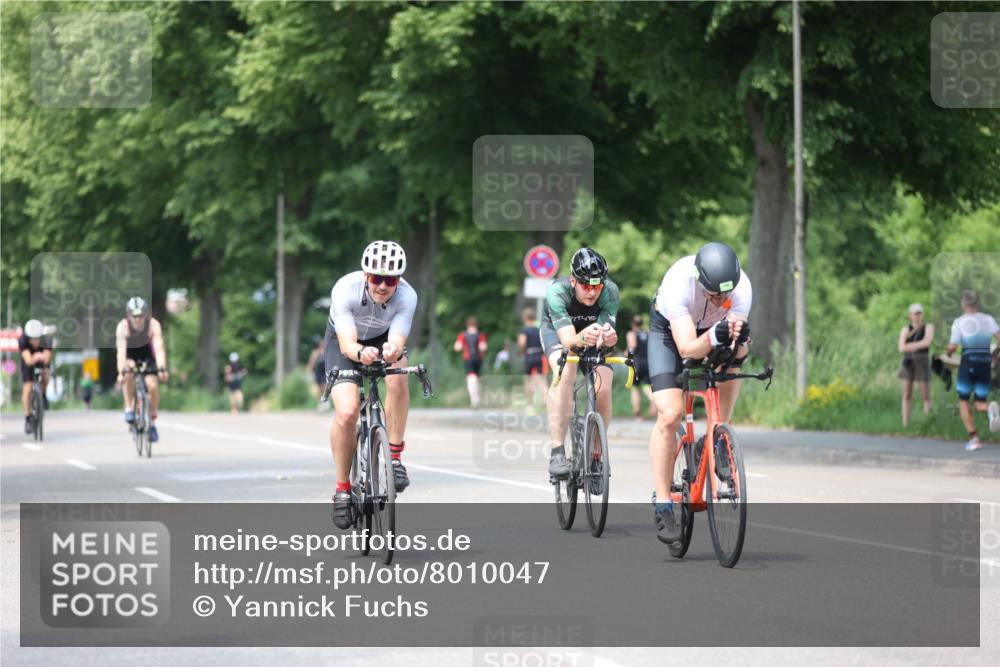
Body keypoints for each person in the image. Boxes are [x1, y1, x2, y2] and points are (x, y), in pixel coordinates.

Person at [647, 242, 752, 543]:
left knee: (737, 357)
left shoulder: (743, 289)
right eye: (714, 294)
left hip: (710, 330)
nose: (721, 300)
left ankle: (718, 435)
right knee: (670, 414)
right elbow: (687, 348)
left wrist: (738, 341)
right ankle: (663, 500)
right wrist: (714, 334)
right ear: (698, 280)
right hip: (671, 333)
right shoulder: (678, 282)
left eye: (725, 295)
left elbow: (736, 346)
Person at [327, 240, 417, 529]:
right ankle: (342, 489)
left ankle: (395, 456)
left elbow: (398, 339)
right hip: (345, 342)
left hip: (383, 338)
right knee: (347, 412)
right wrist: (358, 353)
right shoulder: (345, 288)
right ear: (366, 275)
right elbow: (346, 343)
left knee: (399, 378)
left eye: (390, 280)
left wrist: (392, 350)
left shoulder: (407, 296)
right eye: (377, 278)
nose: (382, 286)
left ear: (398, 280)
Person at [540, 248, 620, 488]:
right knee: (565, 371)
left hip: (591, 335)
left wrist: (609, 338)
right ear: (573, 280)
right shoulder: (557, 292)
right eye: (585, 286)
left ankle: (596, 457)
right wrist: (583, 336)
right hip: (559, 333)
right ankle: (557, 450)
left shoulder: (611, 292)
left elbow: (603, 336)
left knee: (603, 385)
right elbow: (568, 342)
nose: (592, 292)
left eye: (597, 286)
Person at [946, 290, 1000, 450]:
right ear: (978, 304)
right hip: (985, 363)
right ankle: (991, 410)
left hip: (968, 363)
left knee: (963, 400)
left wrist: (947, 352)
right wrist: (996, 352)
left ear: (963, 304)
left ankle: (974, 438)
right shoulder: (988, 320)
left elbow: (953, 346)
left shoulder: (959, 321)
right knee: (979, 403)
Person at [115, 297, 169, 443]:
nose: (138, 319)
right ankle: (128, 407)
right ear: (128, 315)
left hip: (147, 355)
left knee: (152, 385)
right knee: (128, 374)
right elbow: (121, 352)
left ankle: (152, 419)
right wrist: (121, 372)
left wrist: (162, 367)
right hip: (130, 355)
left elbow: (159, 349)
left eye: (140, 315)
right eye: (134, 315)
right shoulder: (123, 327)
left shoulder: (153, 325)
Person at [898, 303, 934, 426]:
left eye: (920, 313)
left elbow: (927, 342)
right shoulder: (905, 329)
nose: (918, 316)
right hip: (908, 362)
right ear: (910, 316)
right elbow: (901, 348)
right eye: (915, 313)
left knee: (926, 394)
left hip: (922, 360)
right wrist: (916, 345)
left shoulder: (928, 327)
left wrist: (910, 346)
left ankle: (928, 421)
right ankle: (905, 423)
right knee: (907, 393)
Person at [19, 319, 53, 434]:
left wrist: (43, 358)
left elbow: (47, 357)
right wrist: (35, 357)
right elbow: (28, 360)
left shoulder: (47, 340)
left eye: (37, 338)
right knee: (28, 388)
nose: (35, 341)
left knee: (46, 376)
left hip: (42, 361)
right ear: (28, 337)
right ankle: (28, 417)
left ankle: (42, 395)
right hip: (28, 363)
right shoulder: (22, 340)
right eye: (32, 339)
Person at [627, 314, 657, 421]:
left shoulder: (632, 333)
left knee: (635, 389)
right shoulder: (647, 333)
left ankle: (638, 415)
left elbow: (632, 346)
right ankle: (652, 399)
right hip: (648, 364)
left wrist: (627, 355)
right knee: (648, 386)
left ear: (632, 324)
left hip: (637, 364)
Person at [454, 316, 488, 409]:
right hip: (478, 359)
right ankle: (477, 398)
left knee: (470, 378)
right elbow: (483, 347)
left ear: (467, 324)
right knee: (476, 378)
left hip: (468, 358)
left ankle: (474, 399)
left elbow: (457, 347)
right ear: (476, 325)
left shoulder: (463, 335)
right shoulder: (480, 335)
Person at [518, 306, 547, 409]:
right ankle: (545, 400)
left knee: (528, 380)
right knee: (541, 379)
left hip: (529, 355)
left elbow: (522, 343)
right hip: (539, 355)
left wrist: (521, 351)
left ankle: (530, 403)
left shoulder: (524, 329)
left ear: (525, 317)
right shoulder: (539, 329)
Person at [306, 340, 328, 409]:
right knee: (319, 389)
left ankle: (325, 401)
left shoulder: (327, 352)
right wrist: (308, 369)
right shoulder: (316, 352)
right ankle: (321, 403)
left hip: (325, 372)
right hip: (318, 372)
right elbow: (311, 362)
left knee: (324, 386)